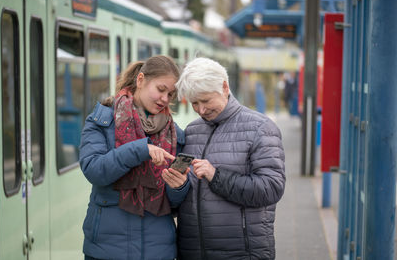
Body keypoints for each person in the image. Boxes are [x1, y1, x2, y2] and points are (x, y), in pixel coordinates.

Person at [79, 55, 190, 260]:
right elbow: (94, 170)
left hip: (157, 251)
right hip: (107, 250)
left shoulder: (175, 135)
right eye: (160, 89)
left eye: (171, 94)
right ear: (140, 80)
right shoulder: (102, 121)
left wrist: (179, 187)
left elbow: (173, 205)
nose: (165, 99)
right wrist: (139, 150)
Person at [175, 58, 286, 260]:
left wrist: (215, 176)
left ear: (224, 87)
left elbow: (271, 188)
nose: (201, 110)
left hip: (244, 252)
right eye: (194, 103)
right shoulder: (191, 131)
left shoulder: (260, 128)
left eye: (206, 101)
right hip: (192, 251)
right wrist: (176, 185)